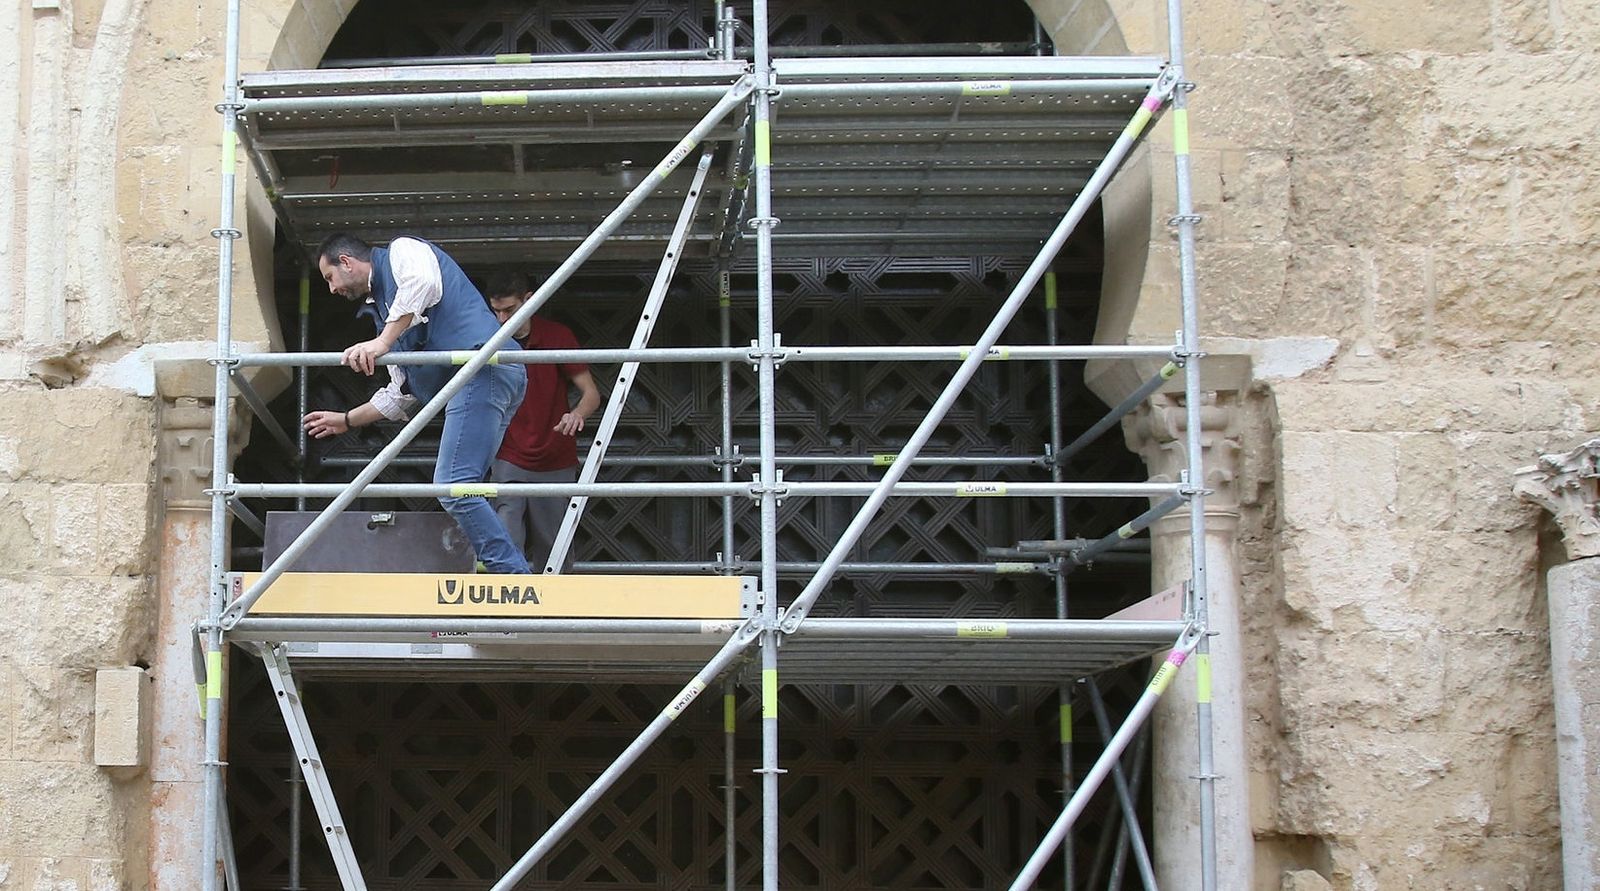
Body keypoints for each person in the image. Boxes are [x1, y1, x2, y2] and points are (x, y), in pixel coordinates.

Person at [302, 233, 532, 574]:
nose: (332, 289)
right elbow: (401, 393)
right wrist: (347, 420)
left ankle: (511, 574)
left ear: (346, 262)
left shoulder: (402, 251)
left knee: (454, 485)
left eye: (329, 277)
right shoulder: (388, 314)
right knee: (462, 487)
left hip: (480, 368)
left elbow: (421, 282)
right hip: (486, 375)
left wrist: (382, 341)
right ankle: (505, 568)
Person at [483, 271, 601, 573]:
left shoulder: (557, 336)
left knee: (555, 548)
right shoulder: (487, 337)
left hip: (555, 457)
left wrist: (576, 415)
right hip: (507, 454)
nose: (500, 319)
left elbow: (591, 394)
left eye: (508, 310)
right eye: (495, 310)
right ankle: (509, 619)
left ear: (530, 301)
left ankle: (552, 619)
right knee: (505, 542)